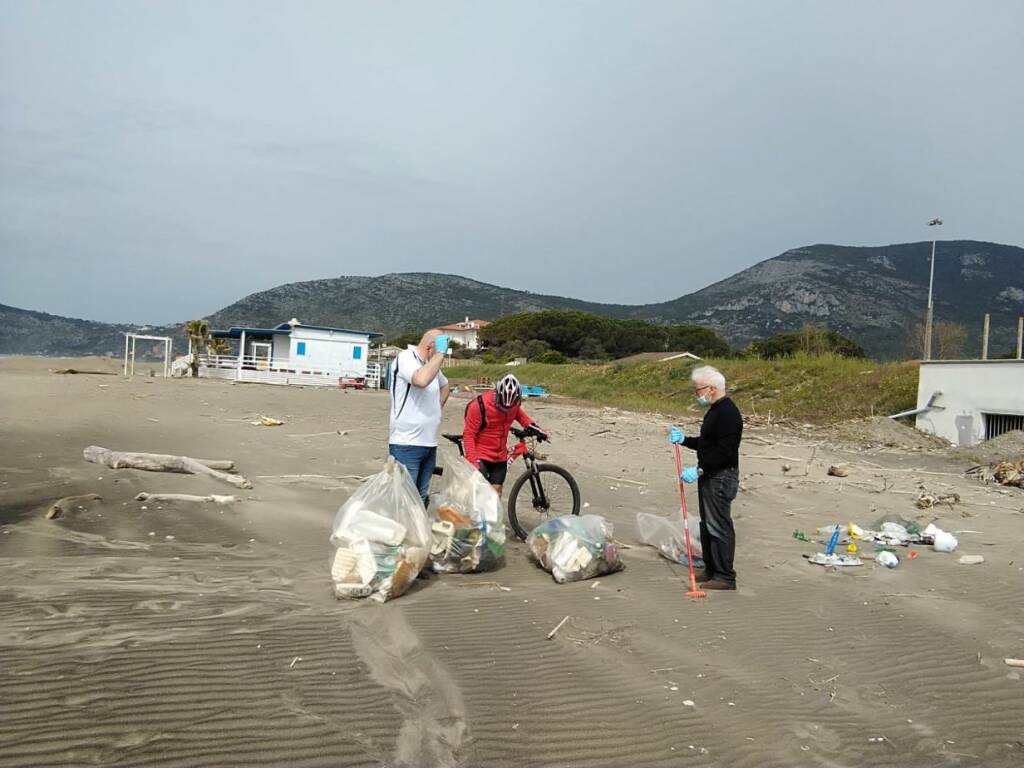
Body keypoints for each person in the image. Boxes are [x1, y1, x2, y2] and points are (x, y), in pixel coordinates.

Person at [669, 365, 743, 591]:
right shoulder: (715, 410)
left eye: (698, 389)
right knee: (707, 524)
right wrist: (685, 440)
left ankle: (725, 576)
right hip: (710, 474)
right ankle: (712, 569)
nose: (696, 394)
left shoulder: (728, 412)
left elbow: (725, 451)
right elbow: (707, 443)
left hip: (721, 476)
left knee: (718, 525)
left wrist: (700, 470)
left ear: (711, 388)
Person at [388, 329, 451, 504]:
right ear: (431, 346)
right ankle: (403, 531)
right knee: (405, 500)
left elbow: (445, 386)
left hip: (428, 443)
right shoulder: (406, 358)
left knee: (421, 497)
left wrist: (436, 409)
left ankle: (416, 531)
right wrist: (440, 354)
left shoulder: (429, 364)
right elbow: (421, 380)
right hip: (406, 444)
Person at [462, 374, 546, 495]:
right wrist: (474, 462)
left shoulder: (514, 404)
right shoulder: (479, 406)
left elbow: (522, 417)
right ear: (497, 394)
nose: (506, 409)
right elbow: (469, 436)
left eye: (510, 407)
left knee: (495, 496)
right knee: (479, 496)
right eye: (502, 405)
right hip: (481, 454)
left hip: (500, 455)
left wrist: (538, 430)